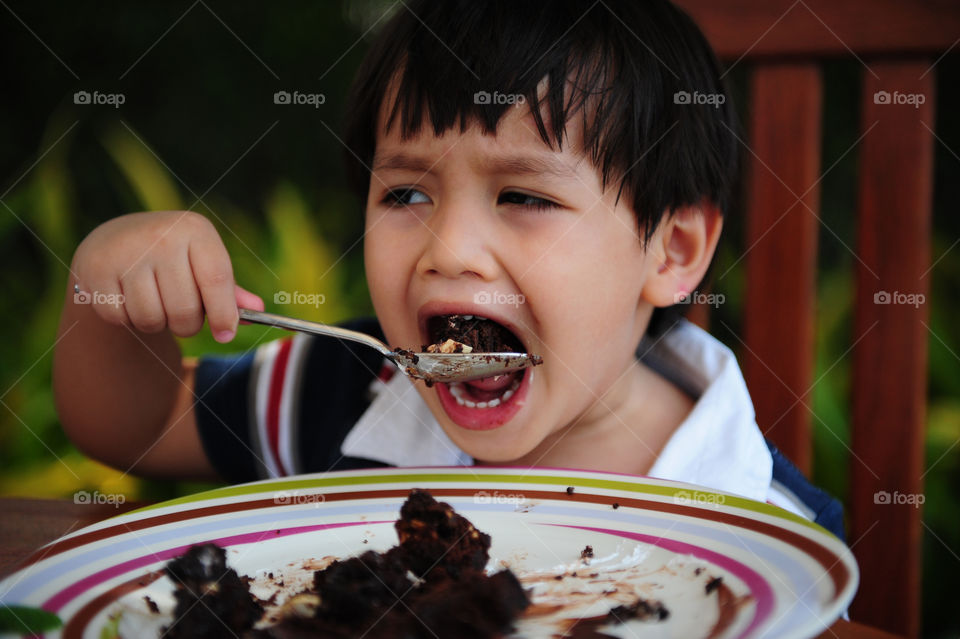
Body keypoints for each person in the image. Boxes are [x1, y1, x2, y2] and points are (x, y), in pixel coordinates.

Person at [53, 0, 843, 539]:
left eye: (524, 195)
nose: (448, 250)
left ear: (672, 253)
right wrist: (105, 282)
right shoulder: (338, 391)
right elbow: (137, 425)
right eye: (405, 191)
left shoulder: (757, 525)